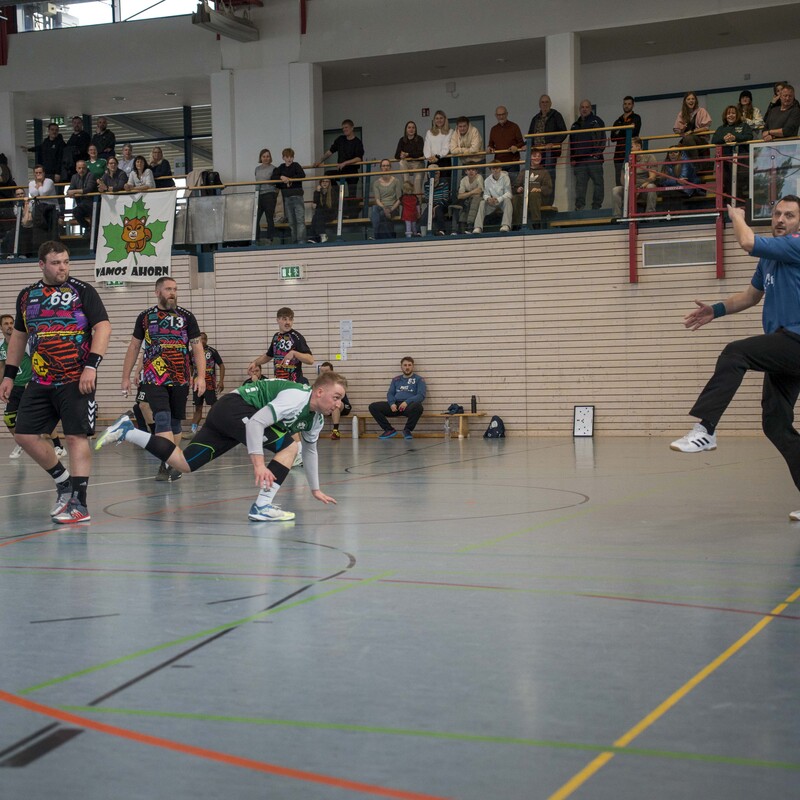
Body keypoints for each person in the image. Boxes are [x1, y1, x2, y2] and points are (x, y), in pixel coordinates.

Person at [670, 198, 800, 521]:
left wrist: (737, 216)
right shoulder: (770, 259)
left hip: (796, 340)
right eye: (777, 213)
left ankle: (706, 429)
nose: (781, 219)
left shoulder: (796, 245)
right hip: (784, 347)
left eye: (790, 215)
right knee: (775, 423)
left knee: (735, 352)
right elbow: (750, 297)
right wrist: (714, 310)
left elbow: (746, 241)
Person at [96, 370, 347, 522]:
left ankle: (128, 431)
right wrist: (258, 464)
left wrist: (315, 489)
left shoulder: (315, 419)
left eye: (340, 400)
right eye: (336, 397)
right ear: (319, 392)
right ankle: (262, 506)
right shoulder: (296, 397)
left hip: (228, 414)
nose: (338, 404)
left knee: (184, 463)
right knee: (290, 447)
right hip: (236, 408)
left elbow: (311, 451)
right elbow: (256, 423)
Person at [0, 241, 111, 523]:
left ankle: (80, 504)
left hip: (76, 378)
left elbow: (103, 327)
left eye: (66, 262)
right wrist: (9, 375)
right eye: (56, 263)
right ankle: (63, 482)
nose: (62, 268)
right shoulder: (28, 296)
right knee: (24, 434)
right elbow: (19, 337)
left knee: (75, 437)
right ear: (41, 265)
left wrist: (91, 366)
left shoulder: (82, 291)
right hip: (41, 380)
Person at [119, 276, 205, 481]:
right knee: (162, 418)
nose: (172, 293)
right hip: (153, 376)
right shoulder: (145, 317)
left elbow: (197, 348)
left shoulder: (187, 317)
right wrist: (126, 376)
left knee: (175, 423)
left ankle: (170, 461)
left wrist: (201, 376)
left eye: (175, 289)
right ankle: (166, 463)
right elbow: (134, 346)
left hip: (180, 377)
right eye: (168, 289)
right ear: (157, 292)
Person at [0, 312, 67, 460]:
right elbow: (2, 367)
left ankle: (58, 446)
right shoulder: (1, 347)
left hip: (28, 384)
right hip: (14, 387)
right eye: (6, 324)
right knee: (9, 419)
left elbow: (37, 359)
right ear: (1, 327)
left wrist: (36, 381)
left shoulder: (23, 343)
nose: (10, 326)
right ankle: (21, 443)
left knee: (41, 417)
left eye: (11, 323)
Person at [248, 306, 313, 383]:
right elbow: (268, 355)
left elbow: (310, 360)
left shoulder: (297, 337)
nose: (288, 322)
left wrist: (294, 353)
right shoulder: (276, 337)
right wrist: (255, 362)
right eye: (284, 319)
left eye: (290, 319)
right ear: (278, 320)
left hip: (294, 383)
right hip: (279, 382)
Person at [369, 356, 426, 440]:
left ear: (413, 366)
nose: (407, 367)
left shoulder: (419, 379)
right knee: (373, 407)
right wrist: (392, 403)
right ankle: (389, 430)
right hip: (395, 406)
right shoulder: (396, 379)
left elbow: (421, 395)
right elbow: (390, 393)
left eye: (409, 365)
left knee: (418, 407)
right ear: (401, 367)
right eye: (405, 365)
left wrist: (406, 402)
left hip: (409, 406)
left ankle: (407, 430)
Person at [315, 119, 364, 212]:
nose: (344, 129)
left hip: (352, 172)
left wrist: (345, 163)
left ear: (352, 128)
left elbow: (358, 158)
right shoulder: (340, 139)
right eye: (343, 128)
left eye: (346, 127)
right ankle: (337, 194)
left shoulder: (357, 142)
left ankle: (352, 214)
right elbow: (330, 152)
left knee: (352, 196)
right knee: (328, 174)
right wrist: (319, 161)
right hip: (341, 171)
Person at [570, 99, 606, 211]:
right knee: (580, 186)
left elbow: (602, 139)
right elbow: (572, 143)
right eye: (582, 107)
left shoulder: (597, 121)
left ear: (591, 108)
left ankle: (596, 207)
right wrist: (572, 158)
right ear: (579, 109)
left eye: (587, 107)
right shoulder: (575, 125)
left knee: (598, 183)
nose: (584, 109)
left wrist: (597, 154)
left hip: (593, 159)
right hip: (579, 161)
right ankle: (579, 207)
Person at [711, 106, 753, 203]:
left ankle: (741, 204)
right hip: (725, 161)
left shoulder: (744, 126)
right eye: (728, 113)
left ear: (737, 115)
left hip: (741, 160)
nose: (731, 115)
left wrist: (735, 137)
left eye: (733, 113)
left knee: (740, 183)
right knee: (727, 182)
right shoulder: (721, 129)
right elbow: (714, 140)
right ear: (725, 116)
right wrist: (724, 139)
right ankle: (731, 204)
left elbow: (749, 136)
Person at [188, 332, 224, 436]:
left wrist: (221, 381)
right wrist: (190, 378)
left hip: (210, 384)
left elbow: (221, 365)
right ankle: (193, 431)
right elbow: (190, 366)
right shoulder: (192, 352)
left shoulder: (212, 351)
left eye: (204, 339)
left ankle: (220, 429)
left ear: (207, 340)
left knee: (214, 407)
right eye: (201, 339)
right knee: (198, 408)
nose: (202, 341)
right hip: (197, 384)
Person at [611, 137, 657, 219]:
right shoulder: (627, 159)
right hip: (630, 187)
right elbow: (623, 179)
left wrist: (640, 187)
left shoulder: (649, 157)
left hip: (644, 187)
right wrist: (631, 188)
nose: (628, 149)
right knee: (616, 190)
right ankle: (617, 216)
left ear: (638, 146)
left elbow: (652, 177)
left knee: (651, 187)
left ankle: (650, 214)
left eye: (631, 146)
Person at [527, 95, 567, 185]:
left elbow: (563, 132)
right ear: (539, 104)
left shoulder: (556, 115)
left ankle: (549, 195)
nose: (544, 104)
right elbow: (530, 134)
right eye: (542, 102)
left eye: (546, 102)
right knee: (536, 178)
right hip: (537, 152)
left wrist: (553, 143)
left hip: (550, 151)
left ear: (550, 103)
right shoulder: (535, 118)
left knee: (549, 178)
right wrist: (526, 145)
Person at [512, 148, 554, 227]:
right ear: (530, 158)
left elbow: (548, 188)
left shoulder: (544, 172)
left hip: (540, 198)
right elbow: (515, 186)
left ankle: (536, 224)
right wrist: (518, 189)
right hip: (525, 197)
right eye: (534, 156)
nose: (537, 158)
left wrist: (539, 189)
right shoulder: (524, 171)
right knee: (516, 198)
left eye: (539, 156)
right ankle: (516, 225)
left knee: (534, 195)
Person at [274, 147, 307, 244]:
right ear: (283, 158)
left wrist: (289, 179)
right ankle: (294, 240)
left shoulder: (296, 165)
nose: (289, 159)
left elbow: (302, 175)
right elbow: (273, 176)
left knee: (300, 220)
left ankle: (301, 241)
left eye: (291, 157)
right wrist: (281, 177)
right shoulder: (281, 167)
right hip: (287, 197)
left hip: (297, 196)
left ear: (293, 157)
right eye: (287, 157)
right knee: (292, 222)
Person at [610, 96, 642, 186]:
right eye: (625, 104)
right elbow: (613, 137)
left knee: (633, 180)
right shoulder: (618, 120)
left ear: (633, 105)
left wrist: (620, 130)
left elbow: (634, 132)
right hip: (619, 154)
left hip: (632, 153)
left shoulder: (636, 118)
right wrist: (627, 128)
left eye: (629, 104)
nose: (627, 106)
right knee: (619, 182)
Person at [473, 160, 512, 233]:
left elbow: (509, 193)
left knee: (507, 201)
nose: (495, 170)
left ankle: (505, 225)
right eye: (493, 168)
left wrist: (498, 199)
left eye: (497, 168)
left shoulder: (505, 177)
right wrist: (488, 199)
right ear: (490, 170)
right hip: (492, 203)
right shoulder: (487, 180)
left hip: (502, 202)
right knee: (482, 203)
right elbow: (485, 194)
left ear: (500, 169)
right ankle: (478, 227)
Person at [660, 144, 703, 210]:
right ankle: (666, 214)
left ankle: (674, 214)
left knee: (673, 192)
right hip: (672, 188)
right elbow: (663, 181)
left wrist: (672, 182)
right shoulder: (666, 165)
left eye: (676, 152)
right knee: (667, 192)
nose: (673, 154)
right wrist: (676, 181)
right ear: (668, 155)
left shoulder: (686, 162)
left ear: (680, 154)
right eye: (670, 152)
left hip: (688, 189)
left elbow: (683, 181)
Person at [487, 106, 525, 175]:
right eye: (499, 115)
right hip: (499, 163)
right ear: (496, 116)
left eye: (503, 114)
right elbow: (491, 144)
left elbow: (521, 143)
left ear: (507, 114)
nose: (501, 117)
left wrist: (516, 147)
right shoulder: (493, 129)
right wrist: (489, 148)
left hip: (513, 162)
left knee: (513, 181)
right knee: (500, 182)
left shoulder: (514, 126)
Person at [28, 164, 59, 247]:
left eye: (40, 172)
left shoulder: (49, 181)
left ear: (44, 173)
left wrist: (39, 184)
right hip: (39, 211)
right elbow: (34, 194)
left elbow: (43, 193)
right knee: (40, 232)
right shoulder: (31, 183)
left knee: (52, 233)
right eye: (36, 173)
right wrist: (39, 186)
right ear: (34, 174)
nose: (38, 175)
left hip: (51, 209)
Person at [370, 158, 401, 239]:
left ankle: (376, 236)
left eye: (387, 166)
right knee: (374, 208)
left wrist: (390, 210)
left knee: (380, 215)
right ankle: (382, 236)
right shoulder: (376, 183)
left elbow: (399, 199)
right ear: (381, 168)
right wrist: (384, 208)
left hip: (393, 207)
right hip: (382, 207)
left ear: (390, 167)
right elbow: (377, 199)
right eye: (383, 166)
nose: (386, 168)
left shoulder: (396, 181)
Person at [319, 361, 352, 439]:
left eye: (326, 371)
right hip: (328, 406)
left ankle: (335, 431)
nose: (324, 373)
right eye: (322, 371)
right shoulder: (320, 384)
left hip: (344, 406)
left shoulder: (338, 381)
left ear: (332, 371)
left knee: (335, 405)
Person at [394, 121, 426, 196]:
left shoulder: (419, 139)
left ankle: (418, 202)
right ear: (406, 129)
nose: (411, 129)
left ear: (415, 129)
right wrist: (401, 156)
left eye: (413, 127)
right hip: (407, 164)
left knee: (417, 185)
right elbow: (396, 155)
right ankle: (407, 183)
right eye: (409, 127)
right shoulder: (402, 140)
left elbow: (420, 153)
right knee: (401, 162)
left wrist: (407, 154)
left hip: (418, 164)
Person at [66, 159, 97, 230]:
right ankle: (87, 227)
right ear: (76, 169)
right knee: (75, 211)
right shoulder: (74, 177)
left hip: (91, 203)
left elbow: (88, 189)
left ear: (86, 168)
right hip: (80, 204)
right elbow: (69, 190)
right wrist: (69, 192)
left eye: (83, 168)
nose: (81, 170)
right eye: (79, 168)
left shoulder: (91, 175)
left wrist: (74, 191)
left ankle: (90, 230)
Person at [254, 148, 278, 243]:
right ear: (261, 158)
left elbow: (275, 182)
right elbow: (257, 182)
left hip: (269, 194)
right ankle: (256, 238)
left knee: (269, 218)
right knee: (256, 218)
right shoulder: (257, 169)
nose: (266, 158)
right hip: (259, 194)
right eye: (264, 156)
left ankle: (270, 238)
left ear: (270, 157)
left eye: (267, 156)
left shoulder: (274, 168)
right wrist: (256, 194)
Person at [452, 165, 484, 234]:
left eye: (473, 170)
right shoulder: (463, 180)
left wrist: (466, 194)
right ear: (466, 172)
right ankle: (455, 230)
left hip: (479, 199)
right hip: (467, 200)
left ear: (476, 171)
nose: (471, 172)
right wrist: (472, 192)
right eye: (469, 170)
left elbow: (479, 192)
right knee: (458, 205)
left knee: (474, 200)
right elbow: (460, 196)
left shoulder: (479, 177)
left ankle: (470, 227)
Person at [309, 177, 338, 243]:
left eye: (327, 181)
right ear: (320, 183)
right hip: (321, 214)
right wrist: (318, 192)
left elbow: (330, 207)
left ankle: (315, 236)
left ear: (329, 183)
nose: (325, 183)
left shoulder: (333, 192)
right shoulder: (317, 192)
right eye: (323, 181)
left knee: (318, 214)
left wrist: (322, 195)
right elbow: (316, 204)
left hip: (331, 213)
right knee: (315, 217)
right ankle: (319, 236)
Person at [62, 116, 90, 183]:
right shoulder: (72, 137)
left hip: (81, 166)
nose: (76, 125)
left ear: (82, 124)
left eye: (78, 123)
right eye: (75, 123)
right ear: (72, 124)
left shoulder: (85, 136)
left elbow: (83, 150)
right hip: (71, 168)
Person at [427, 165, 451, 235]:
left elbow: (445, 198)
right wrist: (431, 207)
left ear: (439, 174)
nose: (434, 176)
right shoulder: (426, 184)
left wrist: (435, 207)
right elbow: (427, 198)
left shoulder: (444, 183)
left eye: (436, 173)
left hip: (443, 204)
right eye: (432, 174)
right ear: (428, 175)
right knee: (426, 212)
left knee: (438, 210)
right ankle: (420, 232)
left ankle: (441, 230)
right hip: (432, 205)